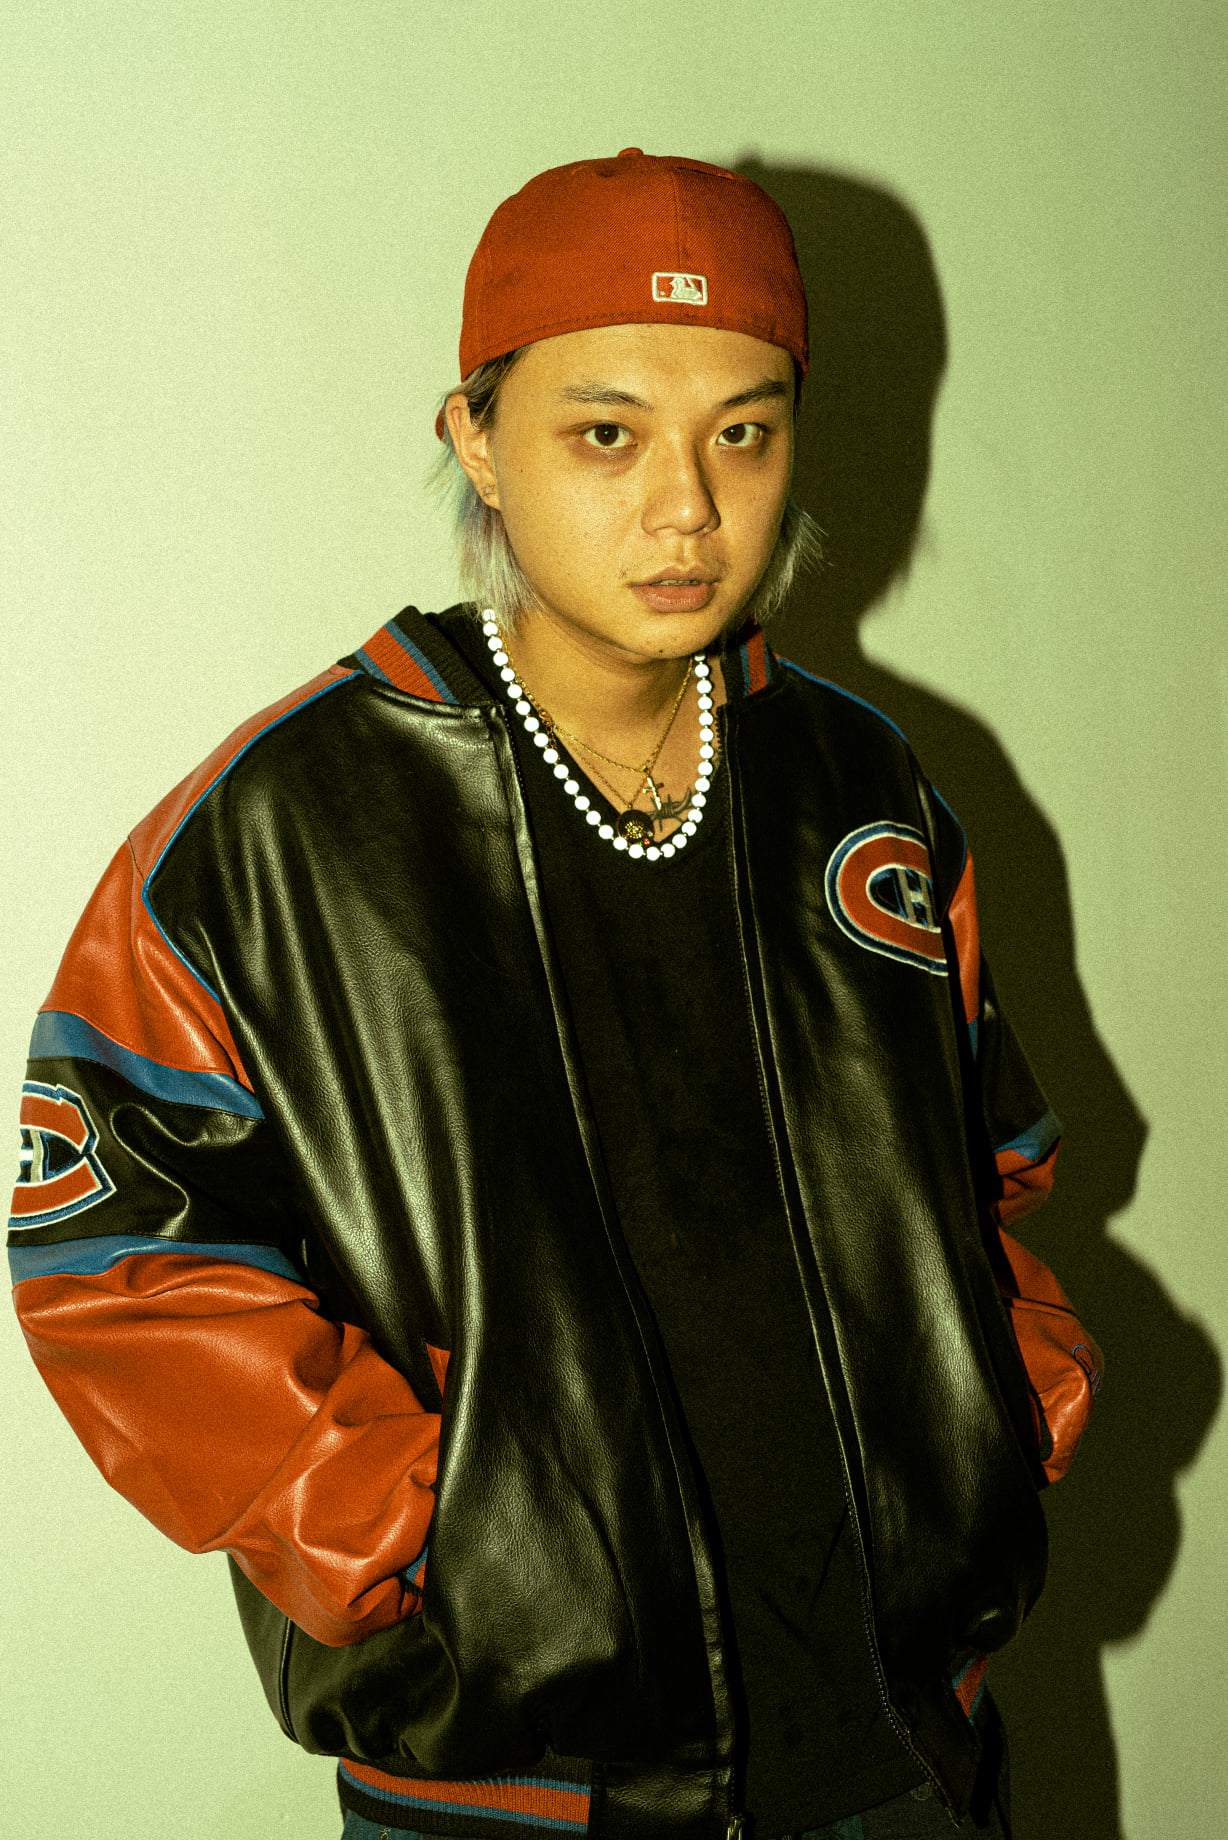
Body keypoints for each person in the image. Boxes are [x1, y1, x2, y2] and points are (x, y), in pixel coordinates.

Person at [8, 149, 1099, 1840]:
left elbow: (990, 1164)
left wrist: (998, 1417)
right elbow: (113, 1260)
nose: (689, 508)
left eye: (744, 431)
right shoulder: (283, 831)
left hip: (907, 1749)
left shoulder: (859, 786)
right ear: (476, 438)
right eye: (608, 434)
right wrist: (429, 1534)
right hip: (525, 1783)